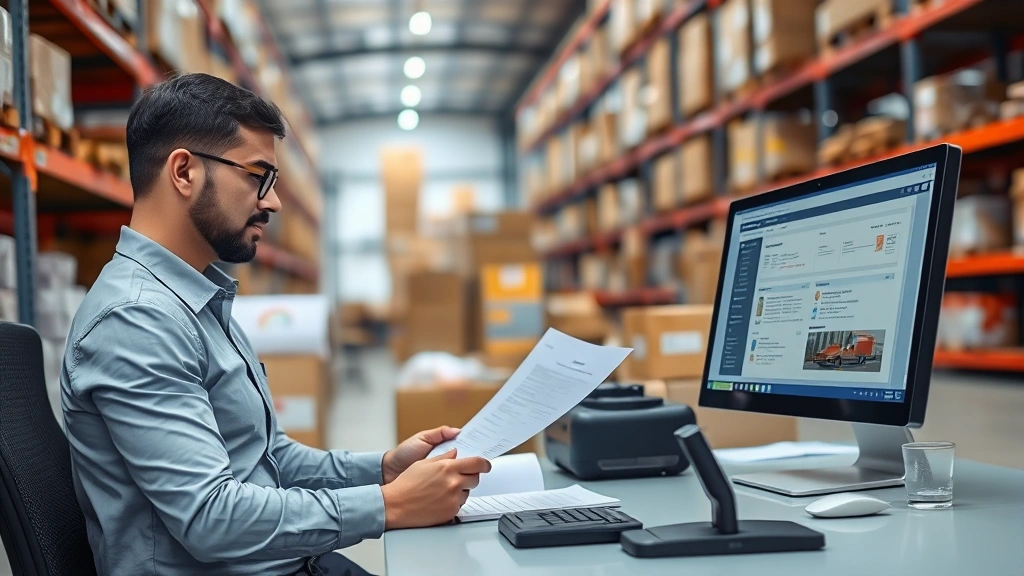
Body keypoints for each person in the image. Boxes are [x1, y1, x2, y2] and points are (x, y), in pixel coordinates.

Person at [60, 73, 491, 576]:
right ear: (184, 172)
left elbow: (267, 459)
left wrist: (382, 469)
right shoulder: (137, 320)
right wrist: (389, 505)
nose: (273, 202)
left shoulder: (197, 298)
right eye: (256, 176)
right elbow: (210, 517)